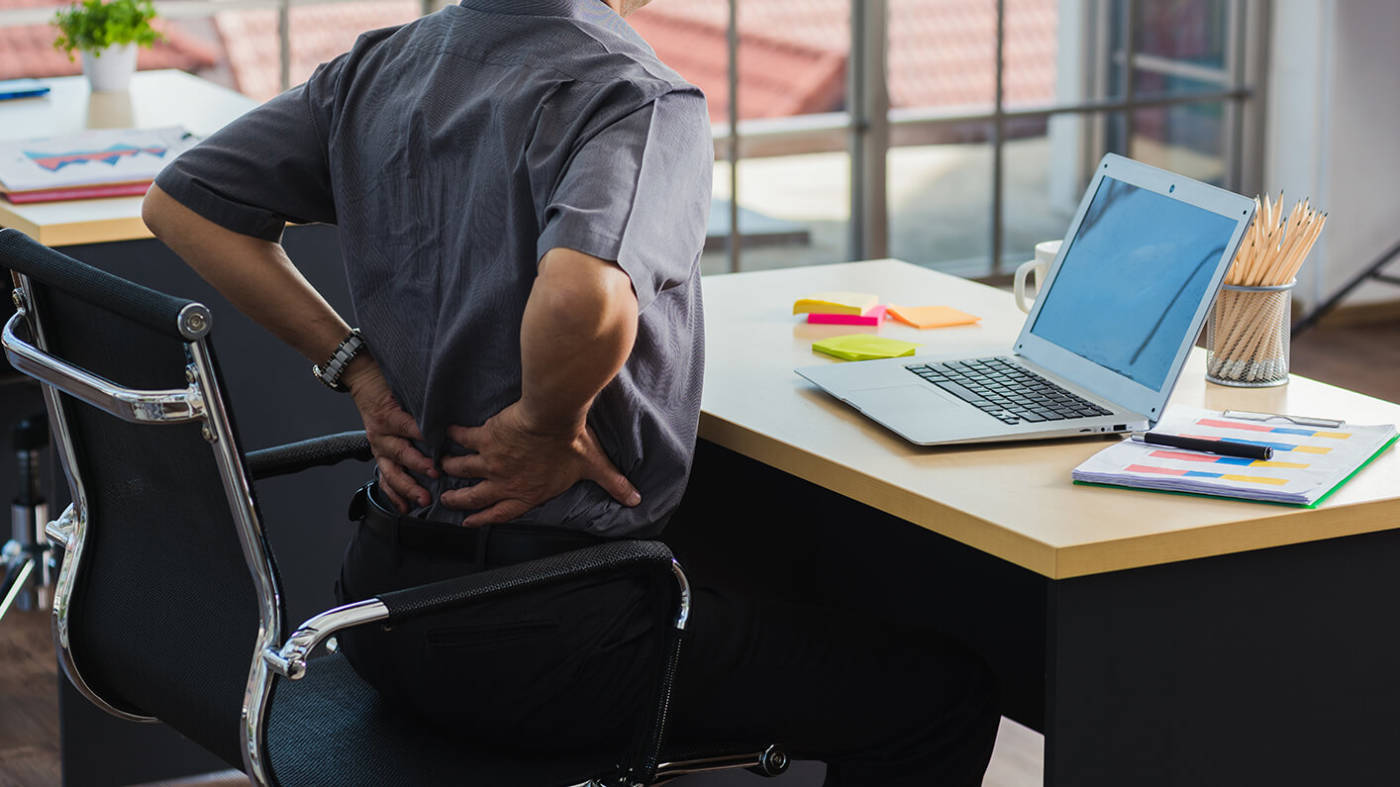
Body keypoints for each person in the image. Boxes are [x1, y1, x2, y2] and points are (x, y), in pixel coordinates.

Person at [142, 0, 1000, 783]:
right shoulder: (633, 96)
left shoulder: (380, 67)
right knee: (938, 696)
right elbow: (584, 295)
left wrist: (355, 369)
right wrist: (542, 426)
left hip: (382, 611)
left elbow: (181, 203)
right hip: (548, 641)